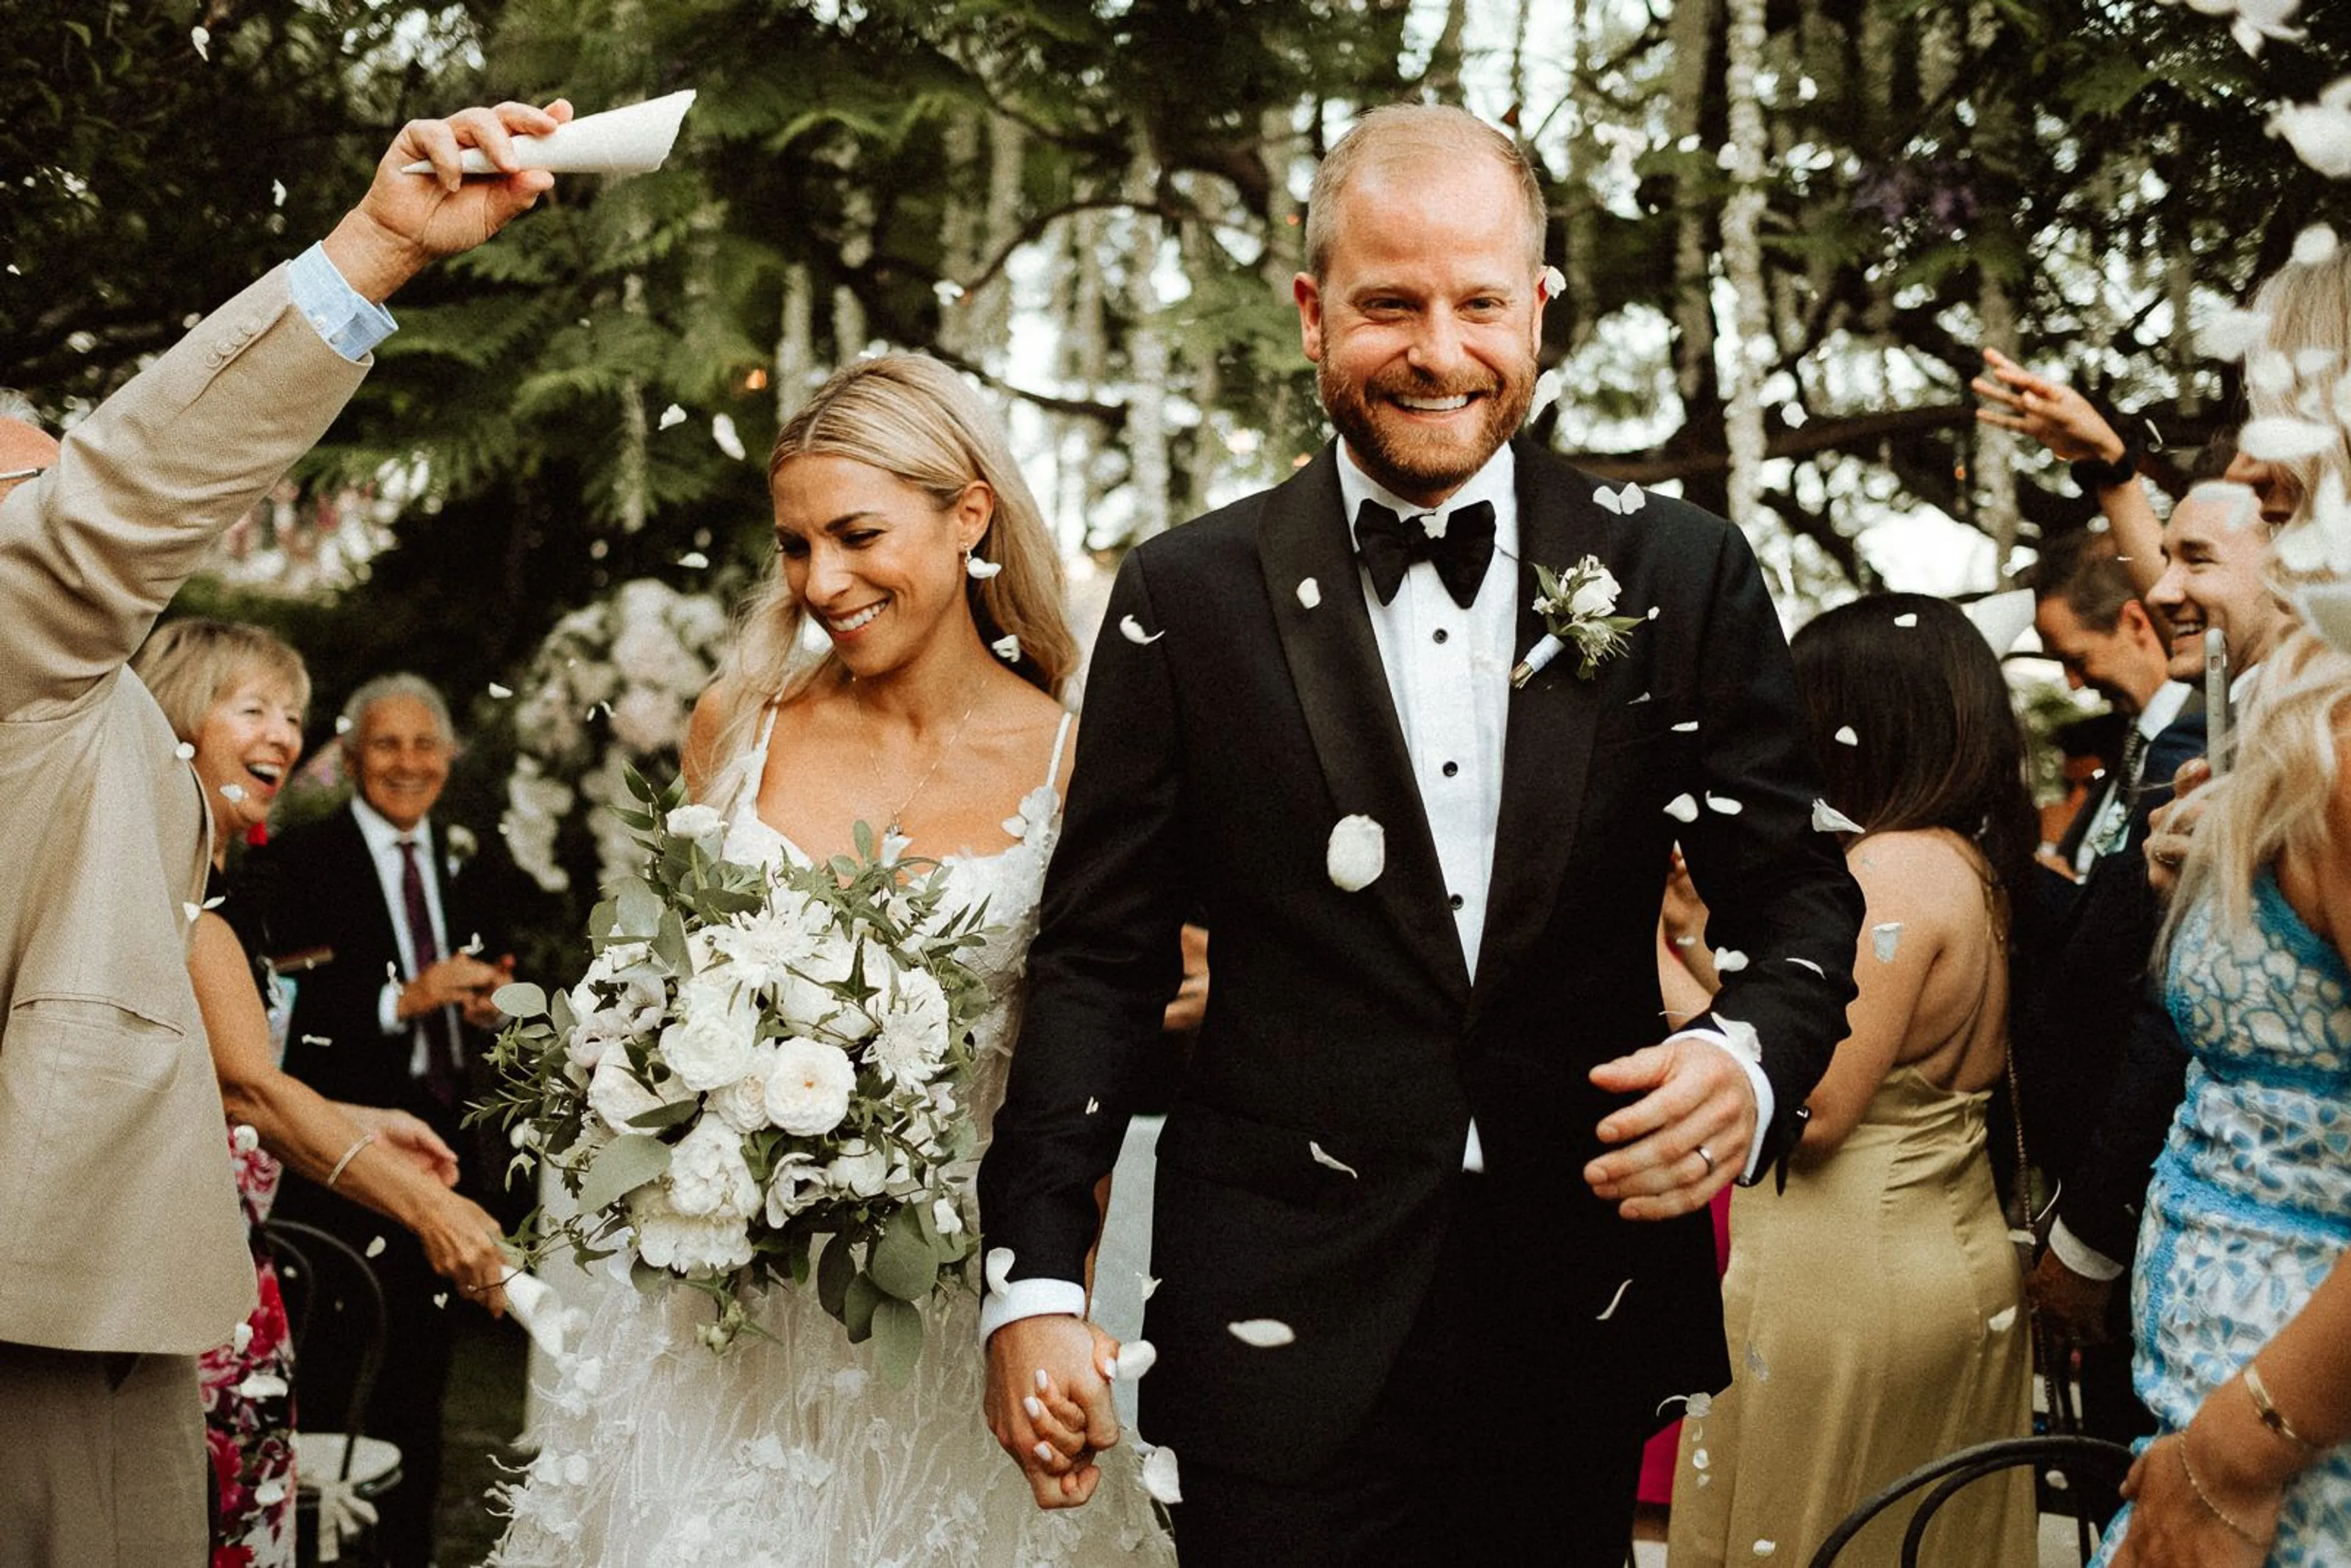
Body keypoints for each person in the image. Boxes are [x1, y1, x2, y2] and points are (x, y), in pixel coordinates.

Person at [975, 103, 1866, 1566]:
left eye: (1478, 303)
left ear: (1540, 309)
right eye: (1390, 303)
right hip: (1270, 1306)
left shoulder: (1680, 570)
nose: (1438, 351)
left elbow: (1798, 897)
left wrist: (1746, 1058)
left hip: (1573, 1292)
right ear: (1316, 313)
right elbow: (1095, 958)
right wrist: (1034, 1283)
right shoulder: (1185, 596)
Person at [489, 354, 1174, 1567]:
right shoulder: (739, 725)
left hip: (949, 1312)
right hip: (723, 1322)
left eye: (857, 535)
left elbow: (1082, 1059)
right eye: (797, 546)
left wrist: (1052, 1296)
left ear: (970, 512)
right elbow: (650, 982)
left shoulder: (1078, 753)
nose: (823, 583)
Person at [0, 99, 564, 1566]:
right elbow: (108, 509)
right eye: (26, 469)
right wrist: (373, 248)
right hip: (36, 1292)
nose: (54, 475)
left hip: (104, 1270)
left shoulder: (78, 704)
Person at [129, 618, 514, 1564]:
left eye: (291, 714)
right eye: (252, 708)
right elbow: (249, 1091)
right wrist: (432, 1211)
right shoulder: (174, 885)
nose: (280, 735)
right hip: (187, 1271)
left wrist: (368, 1122)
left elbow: (230, 1084)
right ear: (178, 718)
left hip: (240, 1258)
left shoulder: (212, 875)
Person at [1667, 594, 2038, 1564]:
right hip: (1934, 1250)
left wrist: (1638, 949)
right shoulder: (1965, 861)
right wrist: (1691, 942)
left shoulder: (1894, 869)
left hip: (1848, 1275)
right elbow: (1831, 1026)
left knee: (1822, 1531)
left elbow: (1813, 1103)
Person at [258, 671, 516, 1568]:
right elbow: (276, 1011)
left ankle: (405, 1554)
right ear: (355, 754)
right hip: (336, 1162)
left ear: (447, 756)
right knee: (324, 1387)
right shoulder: (298, 862)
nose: (408, 764)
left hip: (444, 1160)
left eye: (424, 745)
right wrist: (401, 1000)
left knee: (420, 1388)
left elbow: (497, 967)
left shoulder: (474, 859)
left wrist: (489, 1005)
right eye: (387, 744)